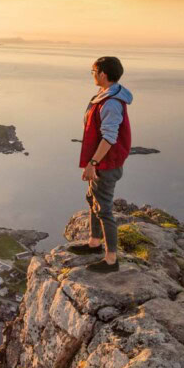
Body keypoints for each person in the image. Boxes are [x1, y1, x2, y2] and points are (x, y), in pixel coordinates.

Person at [69, 56, 132, 272]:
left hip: (105, 164)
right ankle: (95, 243)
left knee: (104, 209)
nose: (92, 75)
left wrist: (92, 163)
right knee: (92, 198)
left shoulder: (112, 102)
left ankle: (111, 260)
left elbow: (109, 138)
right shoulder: (105, 95)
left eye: (94, 71)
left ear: (103, 73)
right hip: (100, 163)